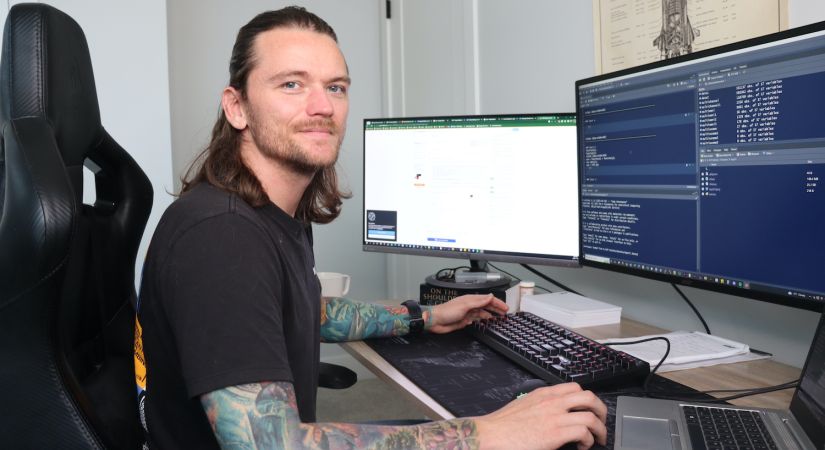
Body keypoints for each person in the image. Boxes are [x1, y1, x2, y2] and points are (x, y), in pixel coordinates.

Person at [134, 6, 607, 450]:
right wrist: (487, 435)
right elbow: (267, 443)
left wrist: (424, 317)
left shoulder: (269, 214)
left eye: (336, 87)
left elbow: (300, 312)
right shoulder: (222, 236)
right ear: (236, 107)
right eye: (292, 84)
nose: (322, 105)